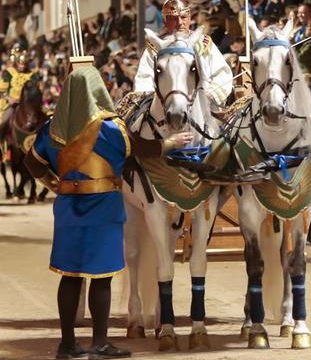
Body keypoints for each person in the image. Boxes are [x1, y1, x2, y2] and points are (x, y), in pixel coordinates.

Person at [24, 66, 191, 359]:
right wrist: (170, 143)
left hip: (68, 210)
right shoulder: (113, 129)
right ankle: (99, 342)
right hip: (103, 209)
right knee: (101, 277)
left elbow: (33, 164)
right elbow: (141, 149)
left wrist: (57, 184)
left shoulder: (51, 130)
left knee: (70, 276)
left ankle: (67, 345)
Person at [134, 0, 233, 107]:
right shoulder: (156, 48)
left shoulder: (204, 44)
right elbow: (144, 79)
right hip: (165, 109)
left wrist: (210, 96)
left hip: (203, 107)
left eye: (183, 17)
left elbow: (222, 74)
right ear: (165, 21)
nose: (179, 22)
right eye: (173, 18)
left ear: (190, 18)